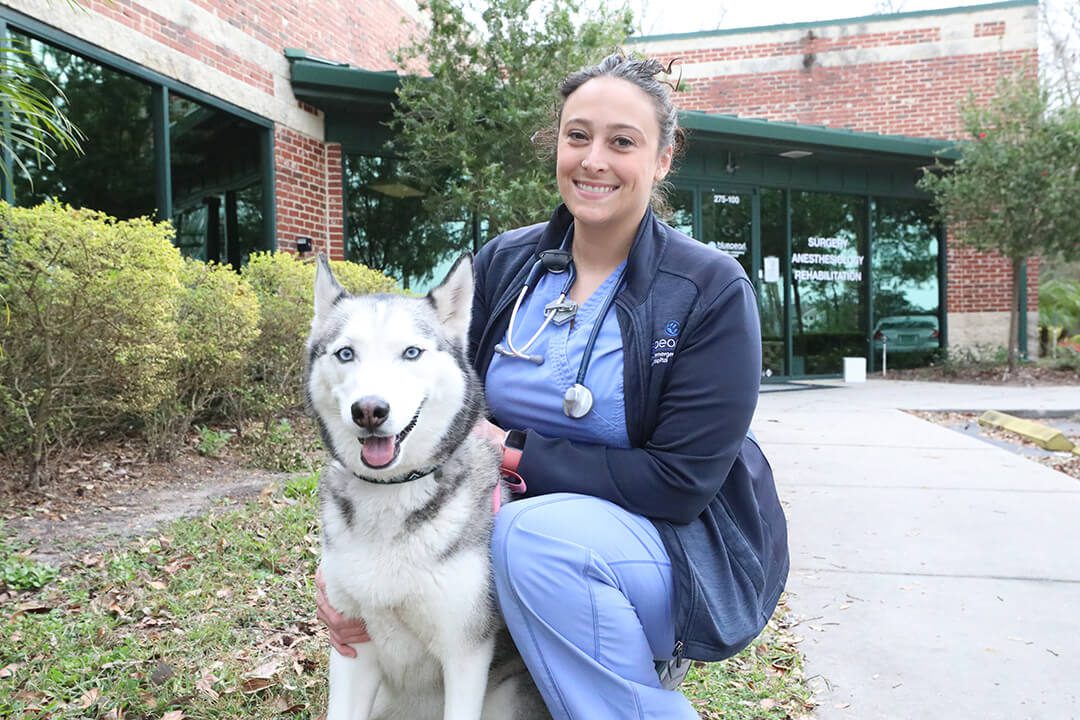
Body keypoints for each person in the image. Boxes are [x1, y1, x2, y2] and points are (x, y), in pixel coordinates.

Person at [316, 53, 789, 719]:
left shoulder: (708, 289)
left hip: (664, 554)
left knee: (535, 538)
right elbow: (422, 418)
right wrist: (347, 572)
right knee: (522, 548)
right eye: (577, 136)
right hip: (501, 542)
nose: (594, 159)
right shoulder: (505, 265)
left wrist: (511, 452)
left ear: (662, 158)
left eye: (622, 141)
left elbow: (681, 483)